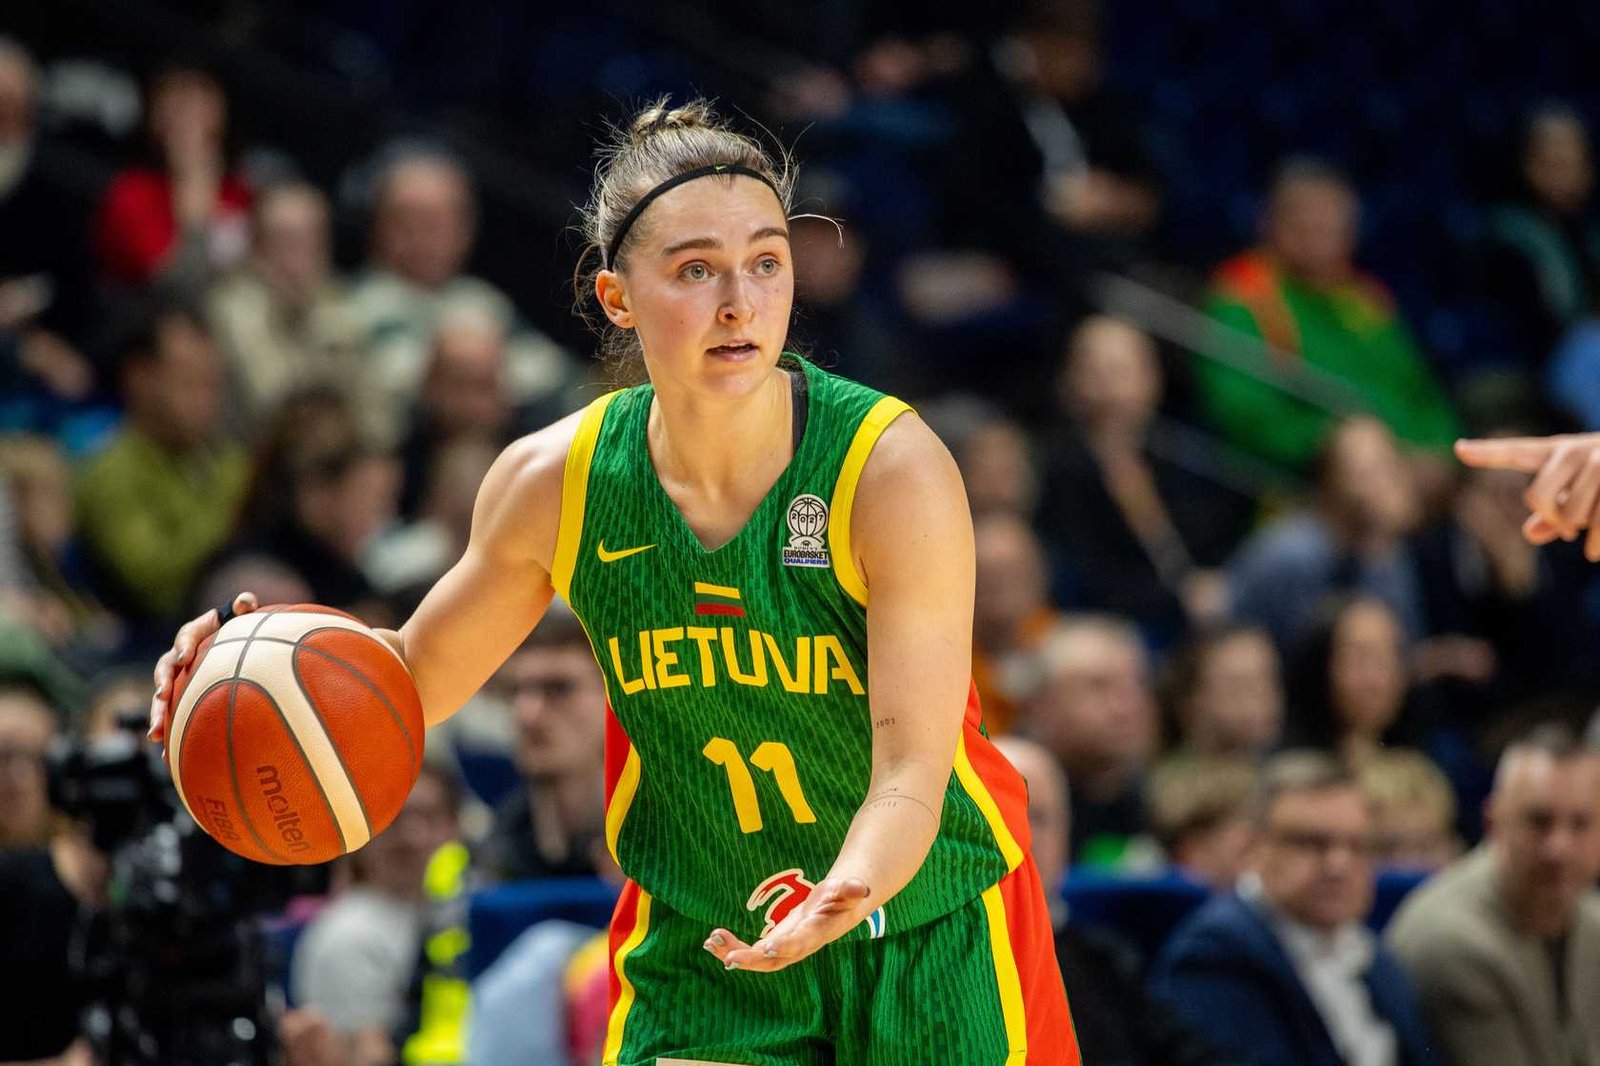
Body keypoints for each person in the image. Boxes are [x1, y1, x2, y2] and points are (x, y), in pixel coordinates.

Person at [152, 99, 1077, 1063]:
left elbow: (914, 769)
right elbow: (405, 685)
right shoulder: (556, 482)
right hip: (708, 945)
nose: (740, 301)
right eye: (695, 270)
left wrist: (849, 887)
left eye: (766, 262)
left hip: (923, 923)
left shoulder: (887, 467)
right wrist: (245, 674)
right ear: (617, 297)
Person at [1151, 751, 1436, 1066]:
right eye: (1311, 843)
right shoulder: (1214, 953)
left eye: (1357, 845)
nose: (1338, 865)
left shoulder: (1371, 954)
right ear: (1253, 847)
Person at [1194, 158, 1459, 474]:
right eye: (1305, 221)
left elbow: (1422, 394)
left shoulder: (1364, 299)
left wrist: (1438, 450)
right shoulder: (1244, 292)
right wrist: (1329, 441)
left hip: (1412, 465)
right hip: (1309, 477)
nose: (1320, 232)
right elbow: (1241, 414)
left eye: (1332, 223)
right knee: (1362, 448)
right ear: (1268, 222)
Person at [993, 735, 1232, 1066]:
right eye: (1001, 813)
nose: (1023, 834)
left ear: (1066, 835)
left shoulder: (1107, 961)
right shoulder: (941, 961)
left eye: (1038, 817)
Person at [1385, 725, 1600, 1066]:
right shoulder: (1450, 940)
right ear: (1493, 821)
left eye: (1580, 824)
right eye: (1539, 822)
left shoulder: (1591, 921)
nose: (1559, 848)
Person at [75, 299, 249, 628]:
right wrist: (239, 518)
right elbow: (158, 586)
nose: (206, 399)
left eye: (211, 384)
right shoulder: (110, 473)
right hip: (166, 640)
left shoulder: (225, 458)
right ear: (139, 378)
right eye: (188, 381)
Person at [290, 761, 462, 1061]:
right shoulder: (348, 934)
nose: (413, 836)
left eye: (430, 817)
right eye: (395, 818)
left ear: (454, 825)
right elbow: (363, 1056)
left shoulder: (459, 913)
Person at [477, 605, 610, 882]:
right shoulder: (491, 848)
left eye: (558, 688)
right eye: (517, 691)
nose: (528, 714)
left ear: (613, 699)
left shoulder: (666, 833)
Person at [1021, 616, 1158, 869]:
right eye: (1098, 687)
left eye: (1136, 685)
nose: (1125, 706)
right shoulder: (999, 798)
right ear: (1041, 705)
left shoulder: (1165, 806)